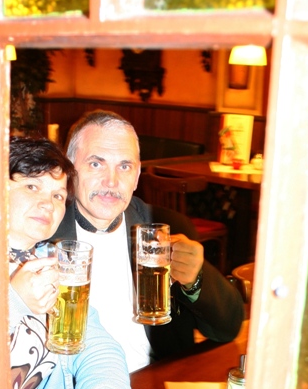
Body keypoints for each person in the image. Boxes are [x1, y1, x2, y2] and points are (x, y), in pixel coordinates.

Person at [53, 110, 244, 372]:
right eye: (96, 164)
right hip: (70, 387)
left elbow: (228, 327)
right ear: (69, 169)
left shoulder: (166, 228)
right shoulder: (44, 232)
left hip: (149, 381)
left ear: (137, 176)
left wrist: (195, 279)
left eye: (124, 166)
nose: (112, 181)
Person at [8, 135, 132, 389]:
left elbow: (96, 344)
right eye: (31, 186)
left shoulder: (53, 263)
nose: (48, 204)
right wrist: (14, 301)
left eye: (58, 195)